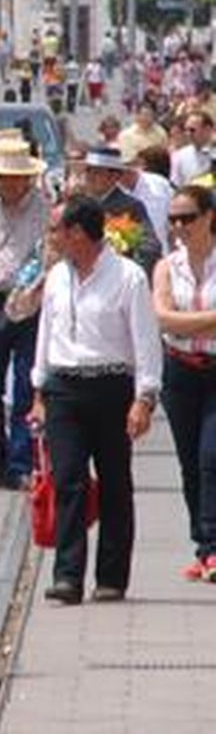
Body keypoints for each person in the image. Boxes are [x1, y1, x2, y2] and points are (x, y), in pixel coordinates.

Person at [31, 196, 161, 605]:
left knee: (115, 483)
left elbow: (144, 340)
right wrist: (39, 390)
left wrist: (144, 397)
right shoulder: (56, 277)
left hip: (111, 387)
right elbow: (45, 335)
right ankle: (68, 576)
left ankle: (111, 576)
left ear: (78, 233)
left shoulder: (128, 276)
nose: (52, 238)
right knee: (67, 479)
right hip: (64, 389)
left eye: (58, 230)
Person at [0, 134, 50, 489]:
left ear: (29, 178)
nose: (11, 184)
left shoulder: (45, 208)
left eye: (18, 177)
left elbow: (52, 251)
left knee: (25, 385)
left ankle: (19, 461)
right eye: (4, 177)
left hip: (31, 301)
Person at [150, 184, 216, 582]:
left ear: (209, 217)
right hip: (180, 371)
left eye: (187, 218)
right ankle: (202, 544)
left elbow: (173, 319)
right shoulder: (166, 266)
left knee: (212, 457)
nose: (179, 226)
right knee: (190, 463)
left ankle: (212, 547)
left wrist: (180, 320)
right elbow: (161, 317)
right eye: (173, 219)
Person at [79, 146, 162, 275]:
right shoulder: (80, 204)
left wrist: (129, 274)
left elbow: (150, 247)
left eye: (97, 172)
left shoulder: (130, 206)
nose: (90, 176)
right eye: (88, 171)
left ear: (114, 177)